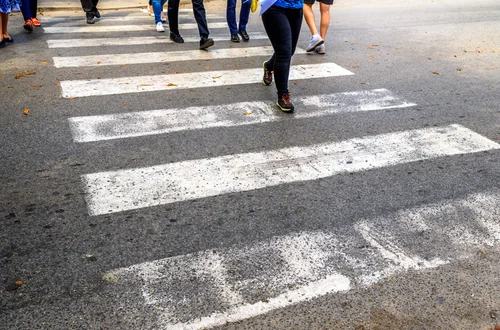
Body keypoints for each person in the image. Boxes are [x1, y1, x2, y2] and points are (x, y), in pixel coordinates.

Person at [261, 0, 303, 112]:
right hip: (274, 6)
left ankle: (269, 66)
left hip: (296, 7)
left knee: (289, 51)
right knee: (284, 52)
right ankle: (283, 95)